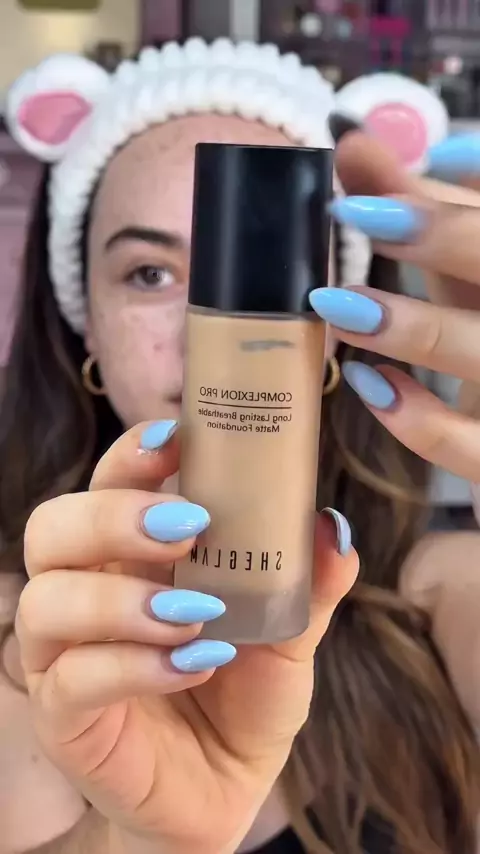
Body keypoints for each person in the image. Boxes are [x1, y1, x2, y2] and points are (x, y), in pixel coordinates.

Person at [0, 38, 480, 854]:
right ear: (86, 325)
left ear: (329, 335)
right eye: (149, 274)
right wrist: (147, 839)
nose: (203, 336)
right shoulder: (20, 633)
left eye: (270, 279)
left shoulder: (442, 598)